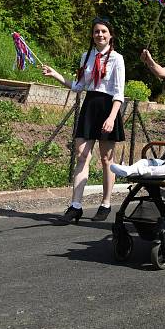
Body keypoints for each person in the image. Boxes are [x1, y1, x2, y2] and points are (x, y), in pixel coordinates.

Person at [41, 16, 125, 224]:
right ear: (92, 35)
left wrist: (112, 117)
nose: (100, 35)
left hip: (108, 107)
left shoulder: (117, 58)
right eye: (96, 31)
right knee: (81, 155)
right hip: (90, 105)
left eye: (104, 31)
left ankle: (105, 203)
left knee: (107, 159)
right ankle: (75, 206)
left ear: (110, 35)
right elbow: (79, 86)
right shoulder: (86, 56)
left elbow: (118, 92)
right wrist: (55, 75)